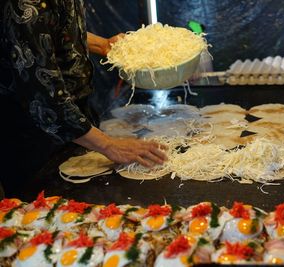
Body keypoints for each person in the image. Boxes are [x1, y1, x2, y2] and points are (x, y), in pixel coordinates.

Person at [0, 0, 167, 196]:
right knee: (44, 214)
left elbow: (55, 28)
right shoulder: (25, 5)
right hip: (33, 133)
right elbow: (44, 97)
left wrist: (104, 44)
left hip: (74, 119)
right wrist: (108, 144)